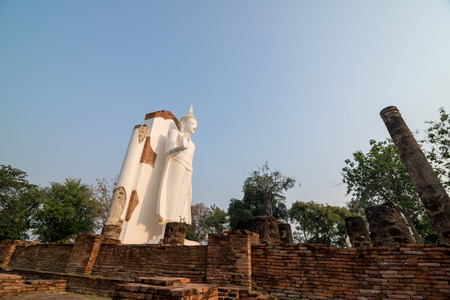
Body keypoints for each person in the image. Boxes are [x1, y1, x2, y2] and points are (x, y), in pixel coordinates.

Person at [157, 105, 197, 224]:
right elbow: (167, 150)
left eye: (196, 126)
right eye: (192, 123)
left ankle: (178, 223)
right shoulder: (175, 132)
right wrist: (180, 147)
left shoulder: (193, 144)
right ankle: (167, 223)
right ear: (183, 123)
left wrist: (190, 184)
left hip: (188, 169)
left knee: (183, 198)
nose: (195, 127)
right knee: (173, 195)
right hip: (177, 163)